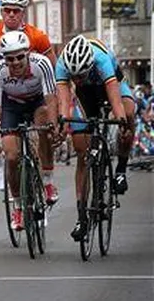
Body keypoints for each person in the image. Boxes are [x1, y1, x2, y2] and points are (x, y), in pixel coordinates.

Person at [56, 35, 135, 241]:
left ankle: (120, 170)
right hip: (85, 94)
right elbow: (64, 104)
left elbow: (116, 101)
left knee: (129, 113)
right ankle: (82, 217)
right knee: (82, 151)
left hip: (111, 83)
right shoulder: (62, 65)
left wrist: (122, 121)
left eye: (81, 74)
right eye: (76, 76)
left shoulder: (101, 59)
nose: (78, 78)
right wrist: (63, 127)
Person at [0, 32, 59, 232]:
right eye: (10, 58)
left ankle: (48, 181)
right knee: (10, 155)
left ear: (28, 53)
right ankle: (17, 205)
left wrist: (53, 126)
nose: (15, 62)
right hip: (11, 107)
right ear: (3, 58)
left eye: (19, 57)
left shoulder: (41, 64)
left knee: (45, 124)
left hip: (37, 103)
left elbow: (51, 99)